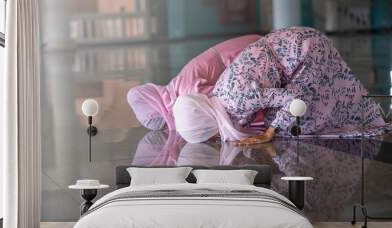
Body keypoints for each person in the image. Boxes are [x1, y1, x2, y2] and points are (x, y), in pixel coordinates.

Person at [173, 27, 387, 144]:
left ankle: (368, 121)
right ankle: (367, 116)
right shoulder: (220, 95)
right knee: (279, 120)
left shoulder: (235, 99)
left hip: (306, 51)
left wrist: (269, 133)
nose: (214, 138)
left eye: (208, 136)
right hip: (295, 41)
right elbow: (252, 103)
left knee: (293, 127)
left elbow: (292, 98)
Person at [127, 34, 262, 131]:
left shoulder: (187, 93)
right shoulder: (175, 88)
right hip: (242, 52)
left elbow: (232, 98)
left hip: (249, 56)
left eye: (165, 125)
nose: (170, 127)